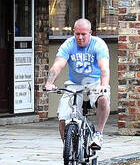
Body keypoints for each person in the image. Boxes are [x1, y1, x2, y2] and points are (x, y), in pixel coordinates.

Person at [43, 18, 110, 150]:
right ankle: (69, 152)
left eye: (83, 34)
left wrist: (103, 86)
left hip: (94, 83)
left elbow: (104, 68)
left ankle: (98, 134)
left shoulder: (98, 45)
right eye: (77, 34)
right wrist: (49, 83)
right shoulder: (68, 45)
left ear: (90, 33)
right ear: (74, 32)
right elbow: (58, 65)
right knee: (63, 118)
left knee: (103, 100)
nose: (80, 37)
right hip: (74, 84)